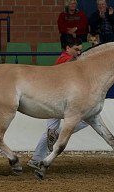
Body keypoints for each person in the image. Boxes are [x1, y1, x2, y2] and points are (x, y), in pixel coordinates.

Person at [27, 34, 89, 169]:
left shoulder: (70, 59)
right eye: (76, 49)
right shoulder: (65, 59)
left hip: (59, 99)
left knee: (52, 130)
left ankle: (36, 158)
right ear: (68, 48)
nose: (79, 52)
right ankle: (39, 155)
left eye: (80, 50)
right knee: (83, 120)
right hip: (55, 100)